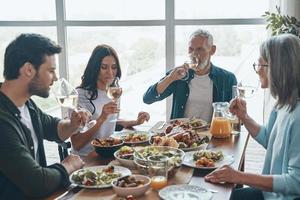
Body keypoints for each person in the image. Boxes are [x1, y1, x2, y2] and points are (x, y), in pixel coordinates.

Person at [205, 34, 300, 200]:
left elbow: (296, 182)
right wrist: (244, 117)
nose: (257, 69)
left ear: (278, 68)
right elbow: (270, 140)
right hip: (269, 194)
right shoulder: (282, 105)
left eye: (261, 63)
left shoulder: (297, 116)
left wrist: (239, 176)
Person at [0, 33, 86, 199]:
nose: (54, 78)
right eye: (51, 71)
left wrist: (73, 124)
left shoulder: (26, 104)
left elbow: (54, 128)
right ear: (29, 70)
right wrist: (68, 165)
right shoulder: (2, 122)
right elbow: (37, 183)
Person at [70, 44, 150, 156]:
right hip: (86, 158)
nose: (110, 72)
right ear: (95, 68)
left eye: (114, 67)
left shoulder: (114, 92)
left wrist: (136, 121)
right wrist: (102, 118)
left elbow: (112, 121)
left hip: (108, 152)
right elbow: (77, 144)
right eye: (104, 67)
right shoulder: (80, 95)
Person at [143, 29, 237, 122]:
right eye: (190, 49)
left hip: (214, 134)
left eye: (200, 49)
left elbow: (236, 116)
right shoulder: (178, 75)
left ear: (212, 50)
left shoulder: (227, 79)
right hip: (181, 134)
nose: (194, 54)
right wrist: (170, 78)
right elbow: (147, 99)